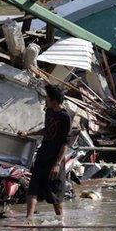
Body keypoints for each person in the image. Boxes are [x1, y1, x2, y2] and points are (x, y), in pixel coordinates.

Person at [19, 84, 72, 222]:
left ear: (54, 99)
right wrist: (28, 133)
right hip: (43, 154)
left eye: (47, 97)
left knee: (56, 194)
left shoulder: (65, 117)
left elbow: (65, 143)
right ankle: (29, 220)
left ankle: (61, 224)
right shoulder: (49, 111)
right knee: (33, 188)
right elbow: (46, 129)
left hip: (55, 159)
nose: (45, 100)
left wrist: (57, 164)